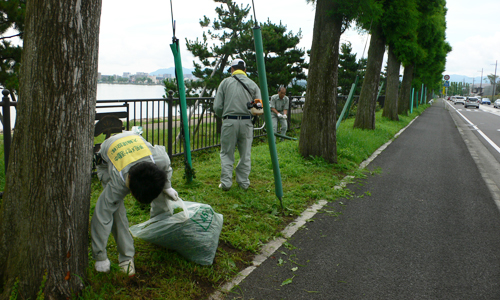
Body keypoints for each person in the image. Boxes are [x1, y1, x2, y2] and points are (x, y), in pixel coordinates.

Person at [91, 131, 179, 276]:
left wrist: (167, 186)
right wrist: (100, 256)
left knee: (162, 191)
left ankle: (161, 230)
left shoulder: (159, 158)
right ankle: (126, 258)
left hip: (132, 142)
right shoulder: (117, 183)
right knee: (115, 211)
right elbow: (102, 216)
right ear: (130, 190)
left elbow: (166, 167)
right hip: (106, 160)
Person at [213, 58, 262, 191]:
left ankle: (226, 183)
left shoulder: (225, 83)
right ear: (245, 70)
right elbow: (258, 109)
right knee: (245, 154)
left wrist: (224, 114)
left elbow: (217, 107)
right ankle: (243, 183)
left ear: (232, 69)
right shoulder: (253, 85)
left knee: (227, 153)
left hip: (229, 121)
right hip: (247, 123)